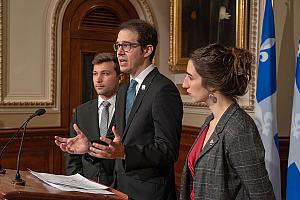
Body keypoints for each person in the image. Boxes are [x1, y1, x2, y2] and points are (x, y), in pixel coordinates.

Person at [55, 19, 183, 200]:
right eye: (118, 46)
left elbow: (167, 150)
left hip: (148, 193)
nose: (120, 52)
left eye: (127, 46)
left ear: (147, 50)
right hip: (121, 189)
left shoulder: (163, 89)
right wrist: (89, 146)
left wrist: (125, 153)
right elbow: (117, 140)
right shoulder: (124, 90)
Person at [179, 44, 275, 199]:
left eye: (190, 77)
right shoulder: (210, 121)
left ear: (211, 84)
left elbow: (261, 194)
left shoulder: (239, 128)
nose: (184, 84)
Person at [60, 52, 121, 186]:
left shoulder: (129, 109)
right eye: (95, 73)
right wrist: (78, 185)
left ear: (119, 78)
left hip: (122, 188)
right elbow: (72, 157)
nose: (98, 80)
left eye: (105, 74)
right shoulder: (81, 112)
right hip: (88, 186)